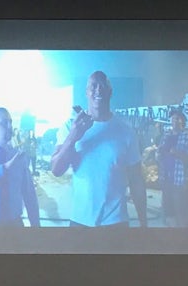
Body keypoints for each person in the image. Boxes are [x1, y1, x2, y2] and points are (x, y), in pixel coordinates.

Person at [50, 71, 147, 227]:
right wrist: (74, 136)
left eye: (103, 85)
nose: (98, 90)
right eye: (93, 86)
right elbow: (56, 170)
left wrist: (144, 223)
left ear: (110, 92)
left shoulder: (126, 131)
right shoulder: (70, 127)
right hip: (80, 222)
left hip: (116, 223)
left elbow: (136, 181)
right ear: (86, 92)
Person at [157, 108, 188, 227]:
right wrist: (158, 154)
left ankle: (185, 234)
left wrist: (177, 153)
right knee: (168, 209)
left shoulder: (187, 136)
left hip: (180, 179)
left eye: (178, 118)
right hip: (166, 177)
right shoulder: (166, 135)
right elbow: (160, 153)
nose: (175, 121)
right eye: (173, 118)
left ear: (182, 122)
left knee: (182, 208)